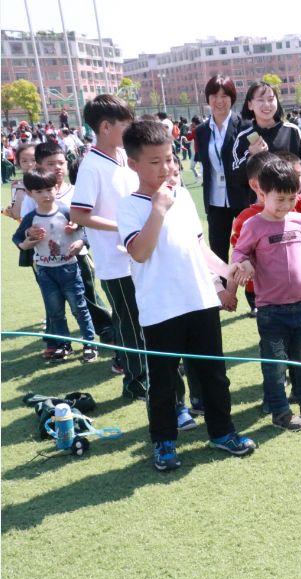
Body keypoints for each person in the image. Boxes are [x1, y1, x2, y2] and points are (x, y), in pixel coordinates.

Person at [117, 120, 257, 470]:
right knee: (164, 382)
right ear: (133, 164)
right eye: (155, 162)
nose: (166, 168)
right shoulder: (130, 206)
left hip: (200, 302)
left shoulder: (183, 196)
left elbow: (199, 247)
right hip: (161, 310)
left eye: (169, 159)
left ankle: (222, 432)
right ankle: (164, 442)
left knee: (213, 374)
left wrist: (227, 274)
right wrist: (159, 209)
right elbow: (140, 252)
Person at [230, 156, 301, 431]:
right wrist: (245, 262)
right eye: (279, 199)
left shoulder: (298, 220)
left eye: (291, 199)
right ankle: (280, 411)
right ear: (262, 192)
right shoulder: (253, 225)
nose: (286, 206)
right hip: (272, 310)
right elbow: (238, 252)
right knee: (275, 365)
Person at [69, 95, 149, 398]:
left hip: (138, 254)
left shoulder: (122, 158)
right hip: (115, 260)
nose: (131, 127)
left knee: (138, 316)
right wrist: (122, 227)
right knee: (130, 321)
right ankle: (136, 382)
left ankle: (147, 367)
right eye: (125, 123)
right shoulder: (92, 165)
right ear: (105, 126)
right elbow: (78, 214)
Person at [12, 168, 97, 363]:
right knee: (55, 311)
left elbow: (86, 232)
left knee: (79, 308)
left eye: (49, 189)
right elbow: (18, 240)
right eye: (39, 191)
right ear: (30, 193)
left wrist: (80, 242)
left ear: (56, 188)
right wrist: (28, 241)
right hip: (45, 272)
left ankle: (90, 344)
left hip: (69, 268)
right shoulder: (30, 218)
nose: (46, 195)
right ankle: (63, 344)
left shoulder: (67, 212)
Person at [231, 82, 301, 232]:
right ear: (250, 105)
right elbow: (235, 179)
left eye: (271, 99)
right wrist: (251, 154)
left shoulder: (292, 131)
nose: (267, 104)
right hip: (260, 215)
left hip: (293, 209)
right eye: (260, 100)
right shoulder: (243, 138)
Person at [194, 75, 253, 264]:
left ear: (232, 98)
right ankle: (223, 293)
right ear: (208, 99)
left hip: (242, 197)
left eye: (224, 95)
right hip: (215, 201)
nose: (219, 101)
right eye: (214, 96)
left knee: (250, 250)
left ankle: (255, 293)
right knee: (217, 254)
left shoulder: (246, 125)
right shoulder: (202, 131)